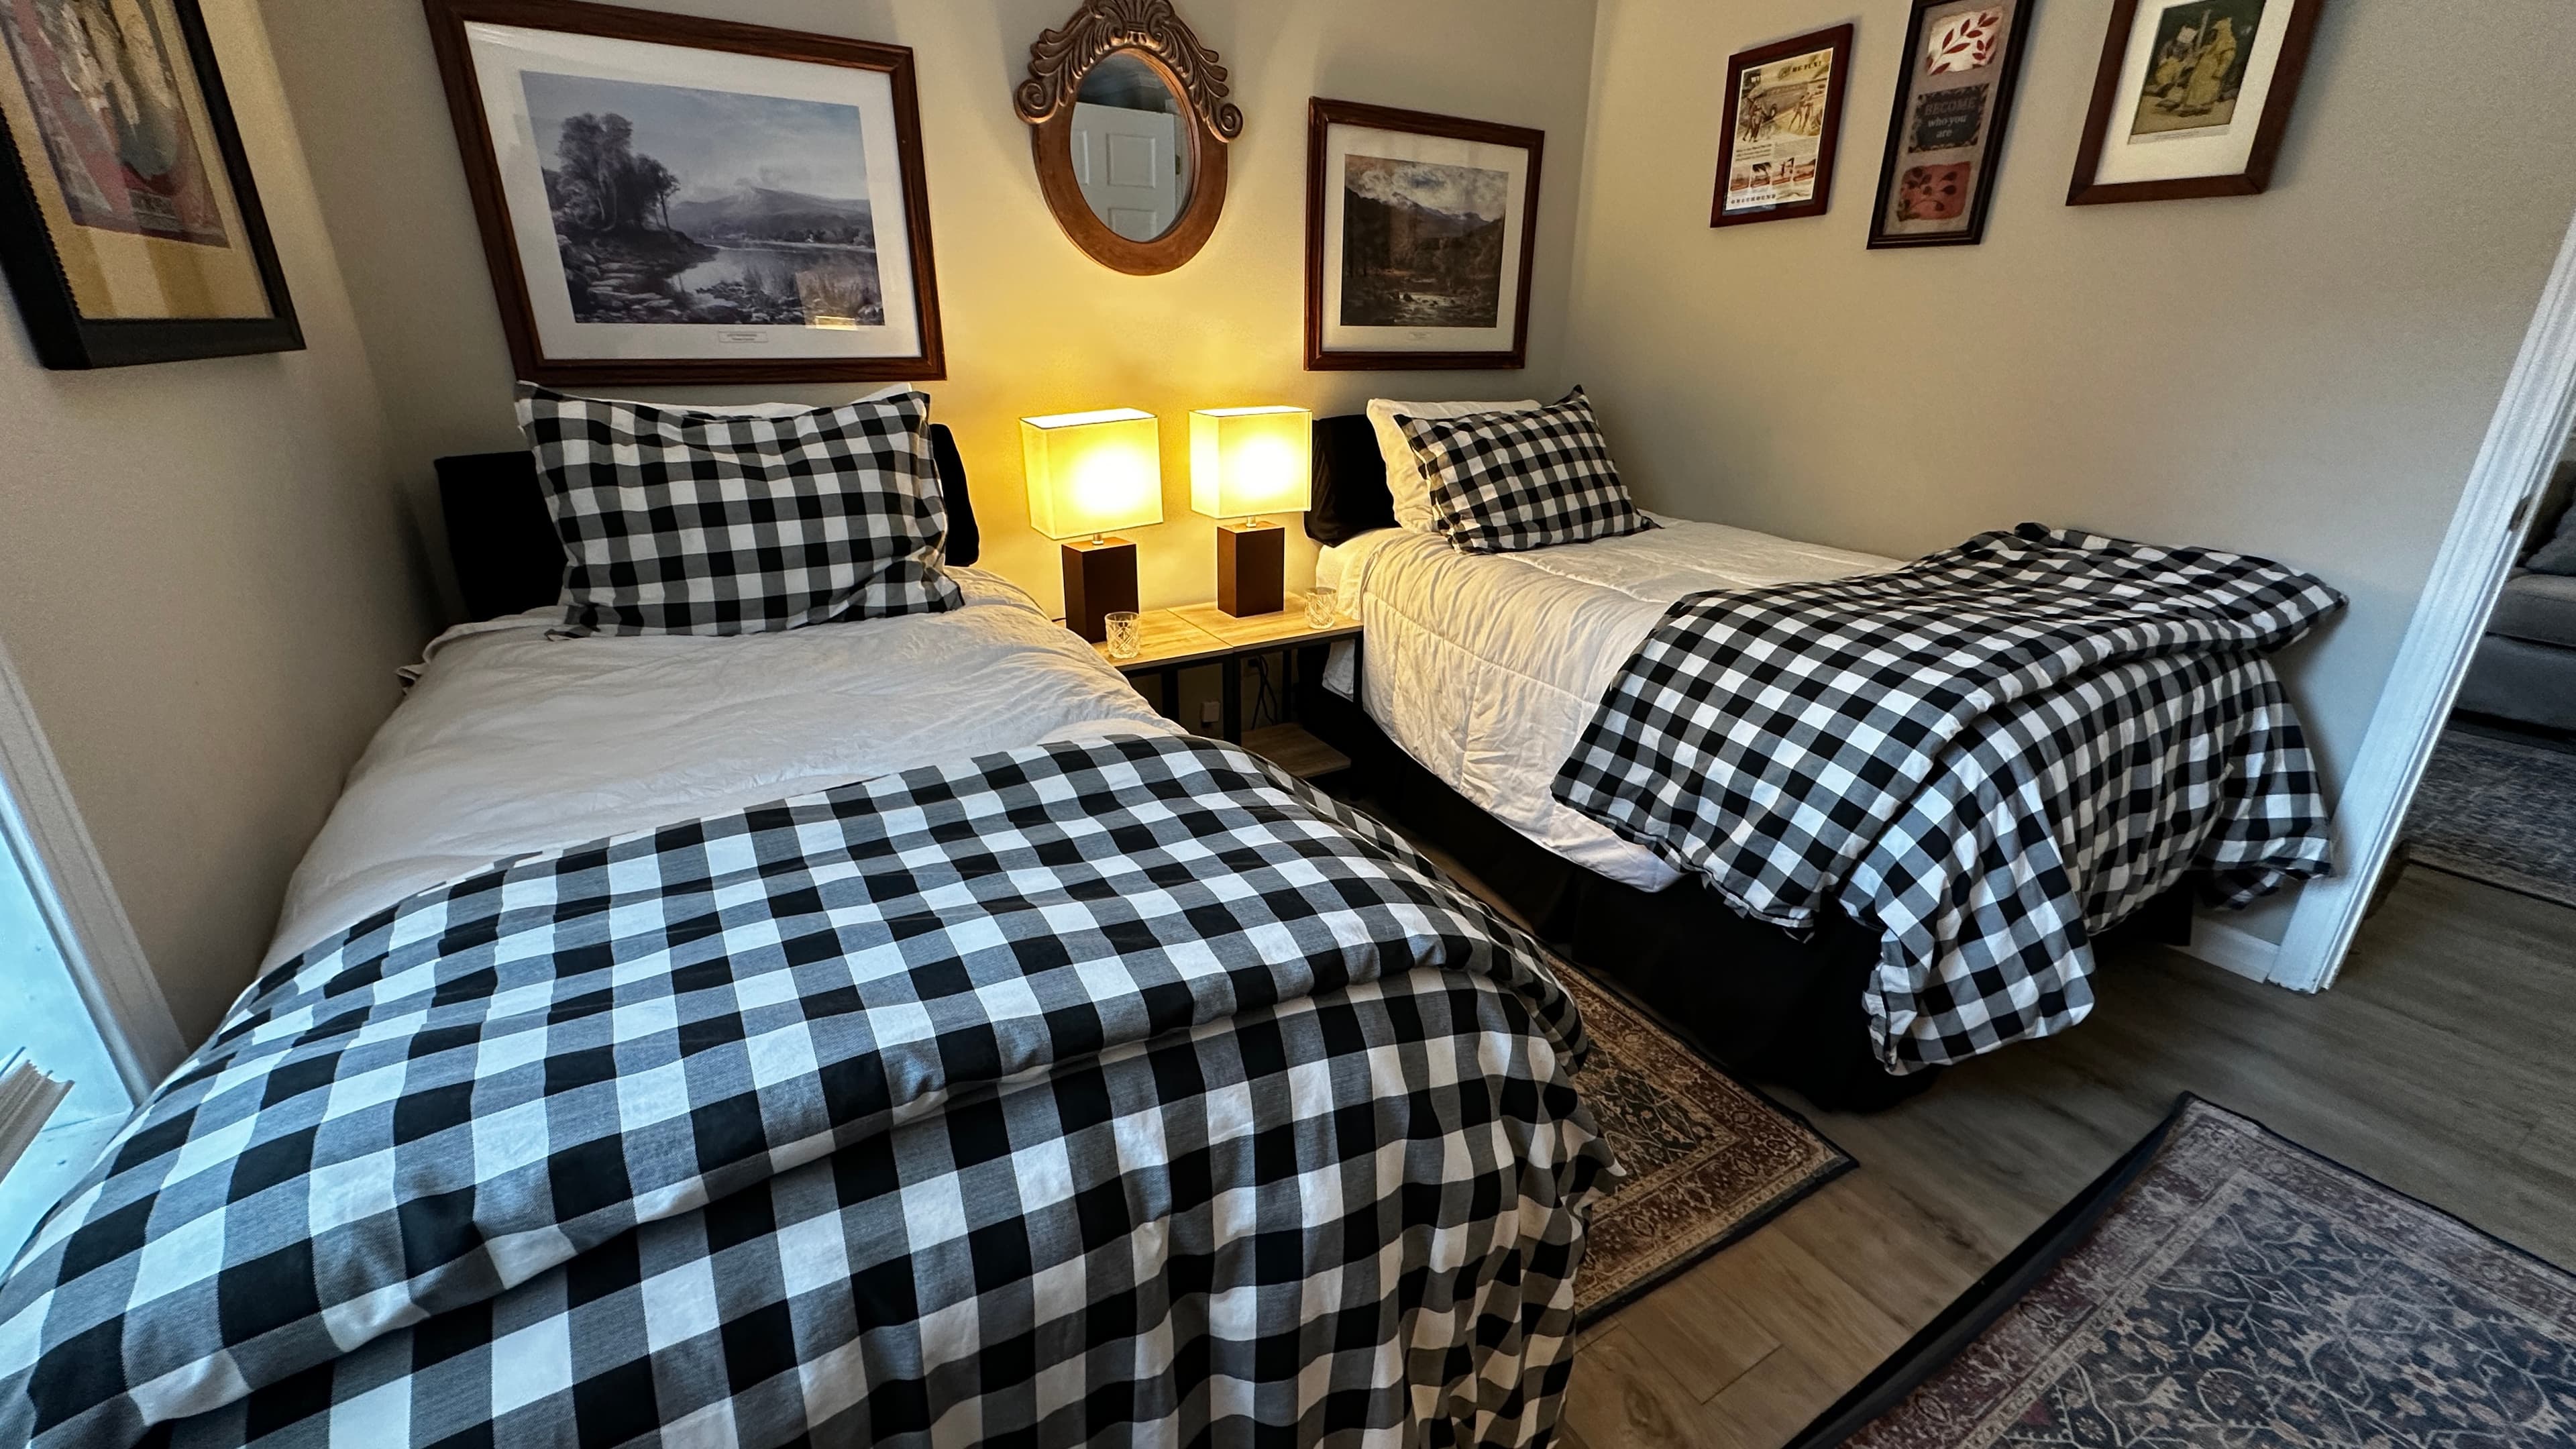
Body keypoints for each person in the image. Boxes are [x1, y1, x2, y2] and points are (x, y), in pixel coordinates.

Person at [2180, 16, 2238, 117]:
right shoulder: (2214, 42)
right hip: (2202, 70)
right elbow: (2204, 52)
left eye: (2217, 31)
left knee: (2208, 89)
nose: (2214, 34)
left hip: (2213, 71)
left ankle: (2203, 108)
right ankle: (2195, 107)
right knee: (2196, 87)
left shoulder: (2228, 42)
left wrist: (2220, 71)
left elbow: (2227, 58)